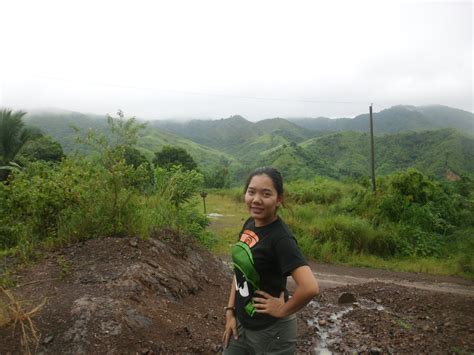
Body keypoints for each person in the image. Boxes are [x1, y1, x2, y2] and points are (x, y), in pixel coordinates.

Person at [222, 167, 319, 354]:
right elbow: (240, 271)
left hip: (272, 333)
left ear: (279, 199)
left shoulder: (281, 239)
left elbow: (310, 287)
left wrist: (282, 310)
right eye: (251, 192)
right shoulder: (250, 223)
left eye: (266, 194)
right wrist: (230, 311)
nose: (256, 199)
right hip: (241, 324)